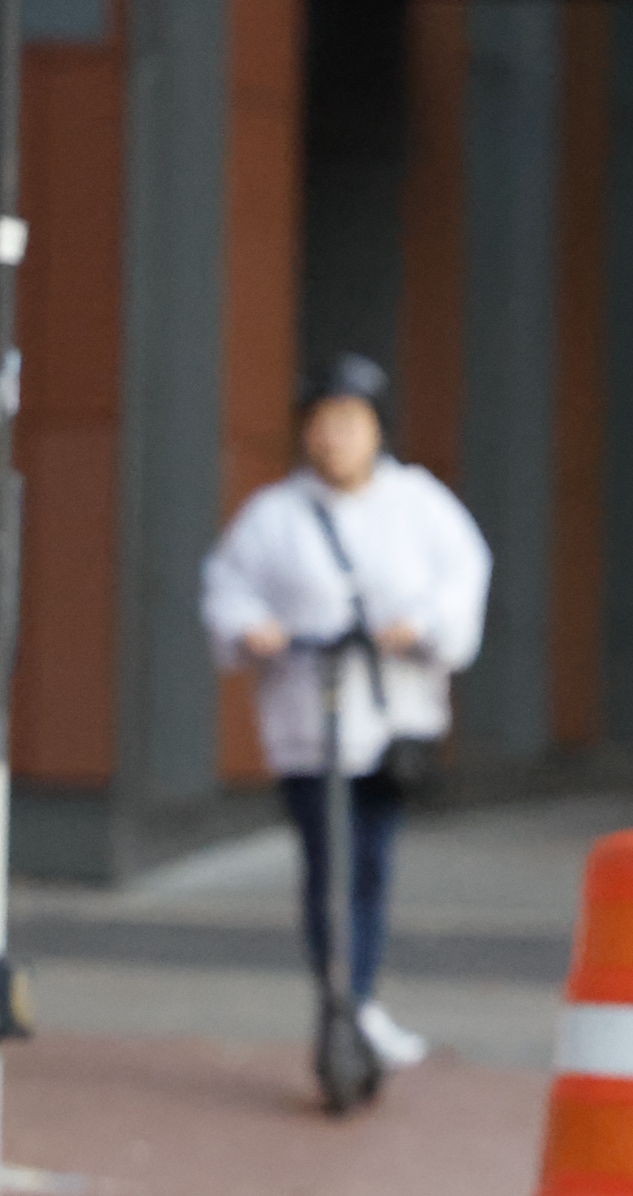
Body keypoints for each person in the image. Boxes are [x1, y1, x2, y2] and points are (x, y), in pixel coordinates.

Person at [200, 357, 490, 1074]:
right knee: (325, 864)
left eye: (349, 423)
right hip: (308, 721)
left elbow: (463, 579)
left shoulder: (419, 504)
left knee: (369, 862)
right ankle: (341, 1000)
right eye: (322, 423)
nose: (333, 438)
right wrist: (253, 628)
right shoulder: (274, 515)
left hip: (390, 723)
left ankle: (356, 999)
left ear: (377, 429)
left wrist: (421, 625)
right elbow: (226, 588)